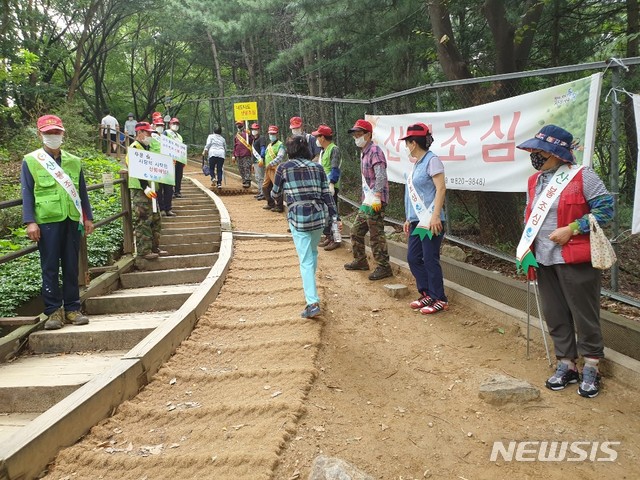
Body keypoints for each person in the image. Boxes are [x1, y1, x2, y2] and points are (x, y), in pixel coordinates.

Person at [516, 124, 614, 399]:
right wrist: (527, 251)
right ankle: (567, 363)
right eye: (533, 150)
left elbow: (606, 210)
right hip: (544, 257)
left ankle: (592, 364)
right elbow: (529, 218)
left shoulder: (583, 176)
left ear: (557, 153)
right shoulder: (534, 182)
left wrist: (573, 228)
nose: (534, 154)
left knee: (584, 313)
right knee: (555, 312)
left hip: (575, 256)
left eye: (540, 150)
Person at [20, 114, 95, 330]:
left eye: (56, 132)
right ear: (40, 134)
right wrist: (30, 221)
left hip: (71, 218)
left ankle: (73, 309)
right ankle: (54, 312)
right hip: (47, 220)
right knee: (50, 266)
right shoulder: (32, 161)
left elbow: (81, 191)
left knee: (71, 265)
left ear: (63, 134)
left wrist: (87, 217)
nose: (53, 136)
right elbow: (27, 193)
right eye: (48, 133)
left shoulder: (74, 161)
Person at [271, 135, 337, 319]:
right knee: (312, 253)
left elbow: (274, 192)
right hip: (318, 218)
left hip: (298, 218)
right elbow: (326, 194)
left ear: (290, 150)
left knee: (305, 260)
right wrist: (334, 216)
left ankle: (312, 302)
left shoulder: (284, 168)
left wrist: (280, 194)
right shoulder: (318, 167)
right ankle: (311, 287)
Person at [401, 123, 449, 314]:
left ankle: (439, 298)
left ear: (413, 143)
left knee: (430, 258)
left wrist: (436, 215)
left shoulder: (432, 160)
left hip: (431, 220)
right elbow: (410, 194)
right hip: (416, 221)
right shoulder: (416, 165)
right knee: (413, 258)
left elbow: (441, 188)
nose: (406, 147)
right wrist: (407, 217)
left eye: (407, 142)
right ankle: (427, 292)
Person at [344, 119, 392, 281]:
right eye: (355, 135)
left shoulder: (375, 151)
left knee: (376, 234)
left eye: (359, 134)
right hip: (367, 200)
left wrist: (377, 196)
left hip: (375, 200)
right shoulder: (364, 151)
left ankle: (384, 267)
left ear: (368, 134)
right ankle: (360, 260)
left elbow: (381, 175)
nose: (356, 137)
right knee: (356, 230)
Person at [126, 121, 166, 261]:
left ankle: (155, 247)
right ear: (139, 133)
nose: (150, 135)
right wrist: (145, 187)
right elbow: (136, 169)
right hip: (140, 189)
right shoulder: (134, 148)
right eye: (147, 133)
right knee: (143, 219)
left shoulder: (147, 147)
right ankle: (144, 250)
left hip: (152, 188)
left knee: (156, 218)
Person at [312, 124, 342, 251]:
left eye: (318, 136)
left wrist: (331, 184)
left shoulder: (333, 149)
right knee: (326, 213)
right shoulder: (323, 151)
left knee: (333, 213)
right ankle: (329, 236)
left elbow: (335, 169)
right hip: (323, 187)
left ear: (322, 137)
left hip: (331, 187)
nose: (317, 139)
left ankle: (336, 238)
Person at [150, 117, 175, 216]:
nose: (160, 127)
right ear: (154, 126)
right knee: (159, 189)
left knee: (169, 189)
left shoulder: (166, 138)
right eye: (158, 125)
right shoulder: (151, 137)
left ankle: (168, 208)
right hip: (156, 166)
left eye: (161, 126)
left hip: (167, 166)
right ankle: (162, 209)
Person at [262, 125, 286, 212]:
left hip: (275, 169)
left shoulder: (280, 145)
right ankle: (270, 203)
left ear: (277, 134)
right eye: (270, 134)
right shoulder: (269, 145)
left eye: (273, 134)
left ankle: (279, 206)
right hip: (268, 169)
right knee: (265, 187)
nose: (271, 135)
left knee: (277, 186)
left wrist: (271, 164)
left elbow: (280, 157)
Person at [165, 117, 185, 198]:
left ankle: (177, 191)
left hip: (179, 158)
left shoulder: (179, 136)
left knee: (178, 175)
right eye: (174, 124)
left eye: (177, 124)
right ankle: (171, 191)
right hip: (170, 158)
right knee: (171, 175)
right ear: (170, 124)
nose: (175, 125)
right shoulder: (166, 133)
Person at [232, 121, 253, 188]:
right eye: (237, 124)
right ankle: (244, 179)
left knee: (246, 167)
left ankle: (247, 180)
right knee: (240, 168)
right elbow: (235, 145)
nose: (238, 125)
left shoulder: (247, 133)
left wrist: (249, 135)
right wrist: (233, 155)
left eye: (239, 124)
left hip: (246, 153)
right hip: (238, 154)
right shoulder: (237, 135)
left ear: (243, 124)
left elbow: (251, 141)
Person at [251, 123, 267, 200]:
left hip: (259, 160)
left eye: (255, 129)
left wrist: (262, 157)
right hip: (254, 161)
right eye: (253, 129)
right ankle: (260, 191)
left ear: (259, 130)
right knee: (257, 177)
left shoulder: (261, 138)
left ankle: (263, 193)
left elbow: (263, 148)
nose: (254, 131)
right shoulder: (254, 140)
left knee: (261, 177)